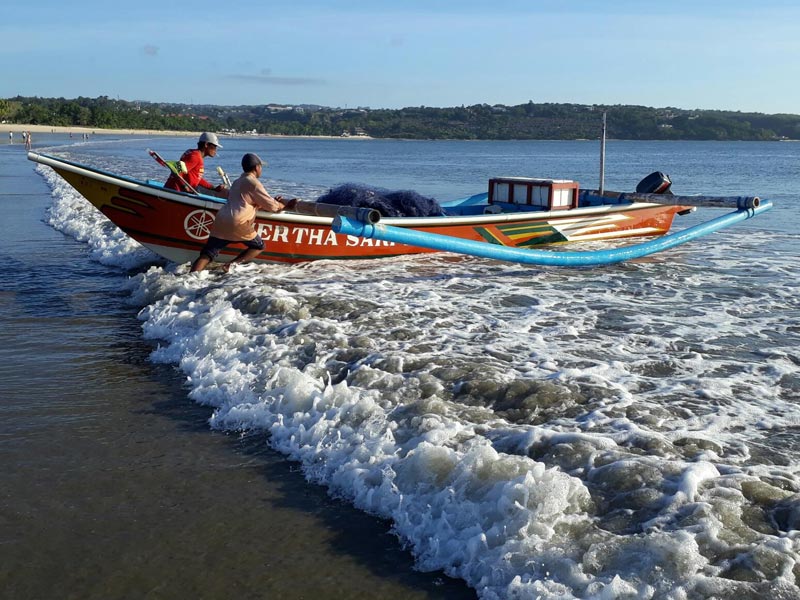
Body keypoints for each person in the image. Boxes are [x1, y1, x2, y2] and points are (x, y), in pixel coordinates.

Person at [191, 153, 296, 273]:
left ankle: (191, 276)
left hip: (221, 219)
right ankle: (230, 265)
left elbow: (247, 201)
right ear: (257, 168)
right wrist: (284, 205)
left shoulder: (238, 181)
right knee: (258, 246)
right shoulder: (253, 183)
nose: (261, 169)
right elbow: (272, 206)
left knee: (208, 254)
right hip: (238, 222)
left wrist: (267, 202)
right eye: (261, 167)